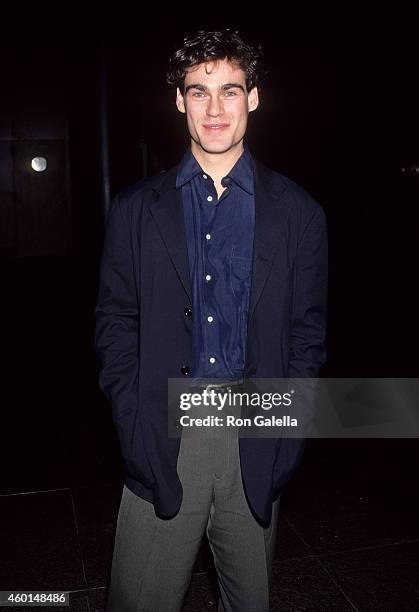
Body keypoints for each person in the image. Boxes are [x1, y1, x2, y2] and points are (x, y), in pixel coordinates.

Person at [94, 27, 328, 612]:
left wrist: (288, 438)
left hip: (256, 430)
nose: (215, 107)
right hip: (163, 432)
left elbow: (307, 337)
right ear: (179, 101)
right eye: (199, 92)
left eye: (230, 90)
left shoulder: (300, 214)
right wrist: (131, 420)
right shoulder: (133, 212)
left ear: (254, 98)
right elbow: (116, 322)